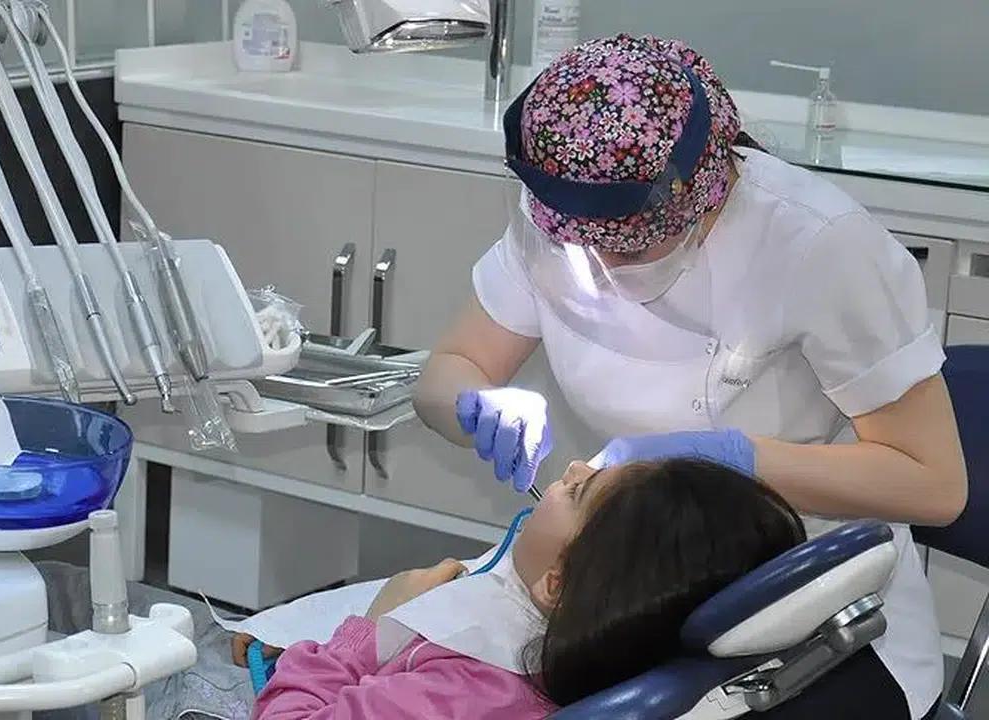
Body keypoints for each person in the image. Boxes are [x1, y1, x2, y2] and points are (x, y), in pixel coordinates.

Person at [413, 33, 967, 720]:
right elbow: (449, 370)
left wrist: (737, 457)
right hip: (639, 601)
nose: (602, 262)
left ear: (702, 192)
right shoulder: (562, 213)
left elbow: (935, 485)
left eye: (629, 244)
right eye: (581, 241)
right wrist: (475, 403)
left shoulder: (818, 244)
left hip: (810, 608)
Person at [245, 458, 806, 718]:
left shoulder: (469, 692)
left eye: (580, 491)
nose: (573, 466)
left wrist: (359, 639)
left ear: (555, 587)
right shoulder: (614, 646)